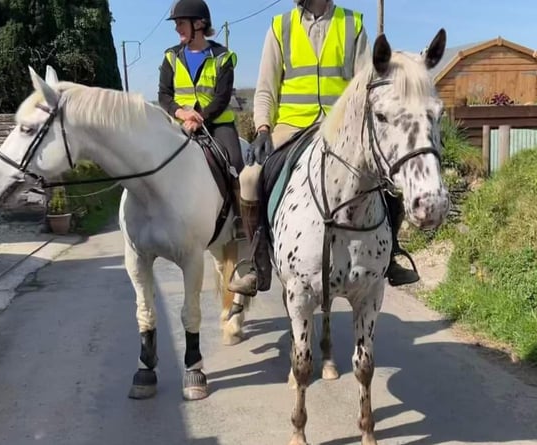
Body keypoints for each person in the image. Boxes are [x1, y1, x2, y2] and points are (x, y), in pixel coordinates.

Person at [228, 0, 419, 297]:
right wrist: (263, 128)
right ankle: (258, 264)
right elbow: (266, 87)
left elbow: (367, 82)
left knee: (386, 175)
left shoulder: (352, 23)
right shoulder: (281, 26)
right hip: (292, 126)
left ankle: (391, 254)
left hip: (342, 128)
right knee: (250, 178)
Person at [158, 0, 244, 177]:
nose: (177, 28)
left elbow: (222, 97)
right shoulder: (171, 56)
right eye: (176, 24)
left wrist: (200, 118)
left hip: (218, 122)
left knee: (236, 163)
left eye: (181, 23)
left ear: (199, 24)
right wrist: (181, 113)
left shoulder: (222, 57)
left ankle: (238, 204)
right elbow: (164, 95)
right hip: (181, 121)